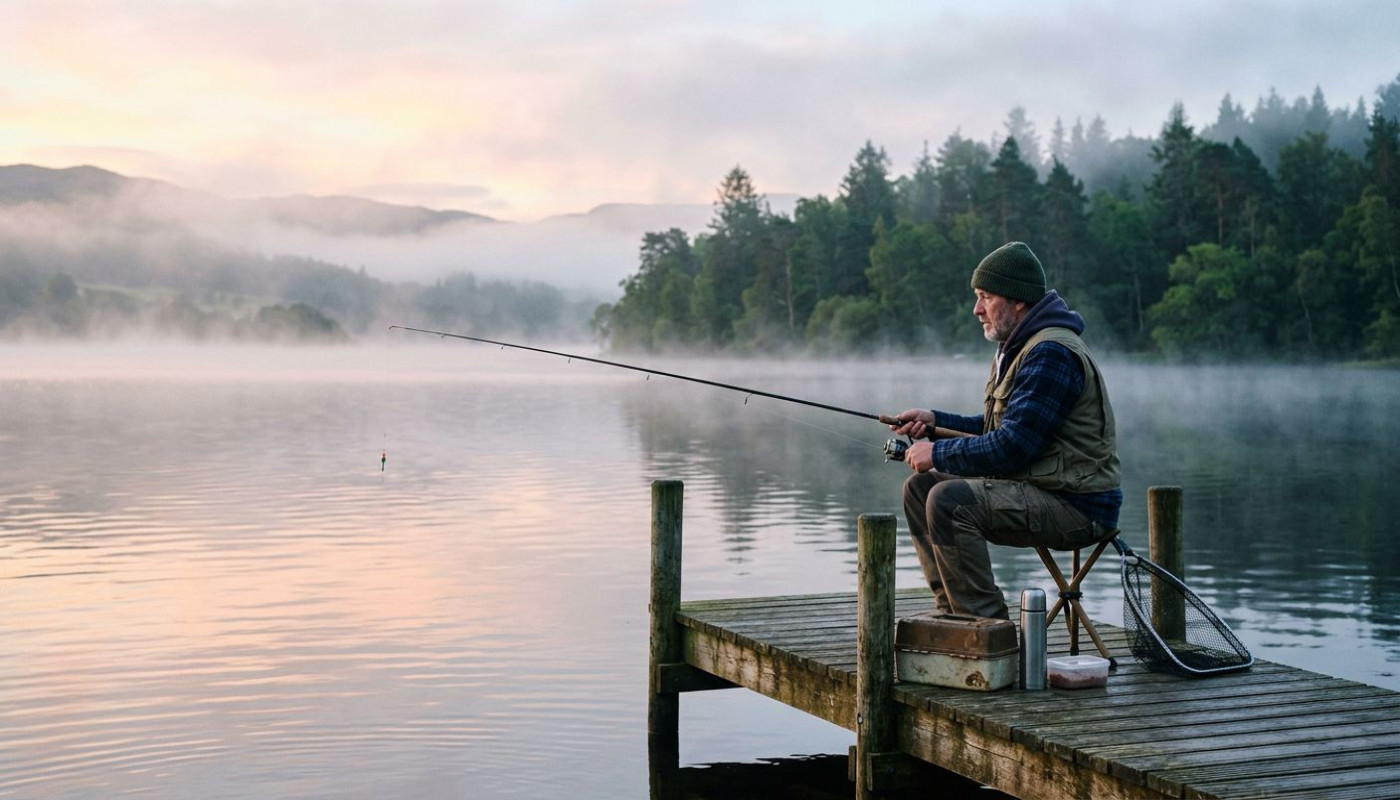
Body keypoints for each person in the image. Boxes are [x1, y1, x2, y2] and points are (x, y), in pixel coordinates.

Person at [891, 241, 1121, 621]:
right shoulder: (1022, 347)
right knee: (920, 489)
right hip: (1044, 489)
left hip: (1077, 505)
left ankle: (988, 629)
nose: (977, 309)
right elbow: (997, 428)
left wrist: (937, 454)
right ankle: (954, 616)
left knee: (950, 501)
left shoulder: (1050, 352)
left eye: (986, 297)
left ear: (1017, 301)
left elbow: (1014, 446)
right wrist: (934, 424)